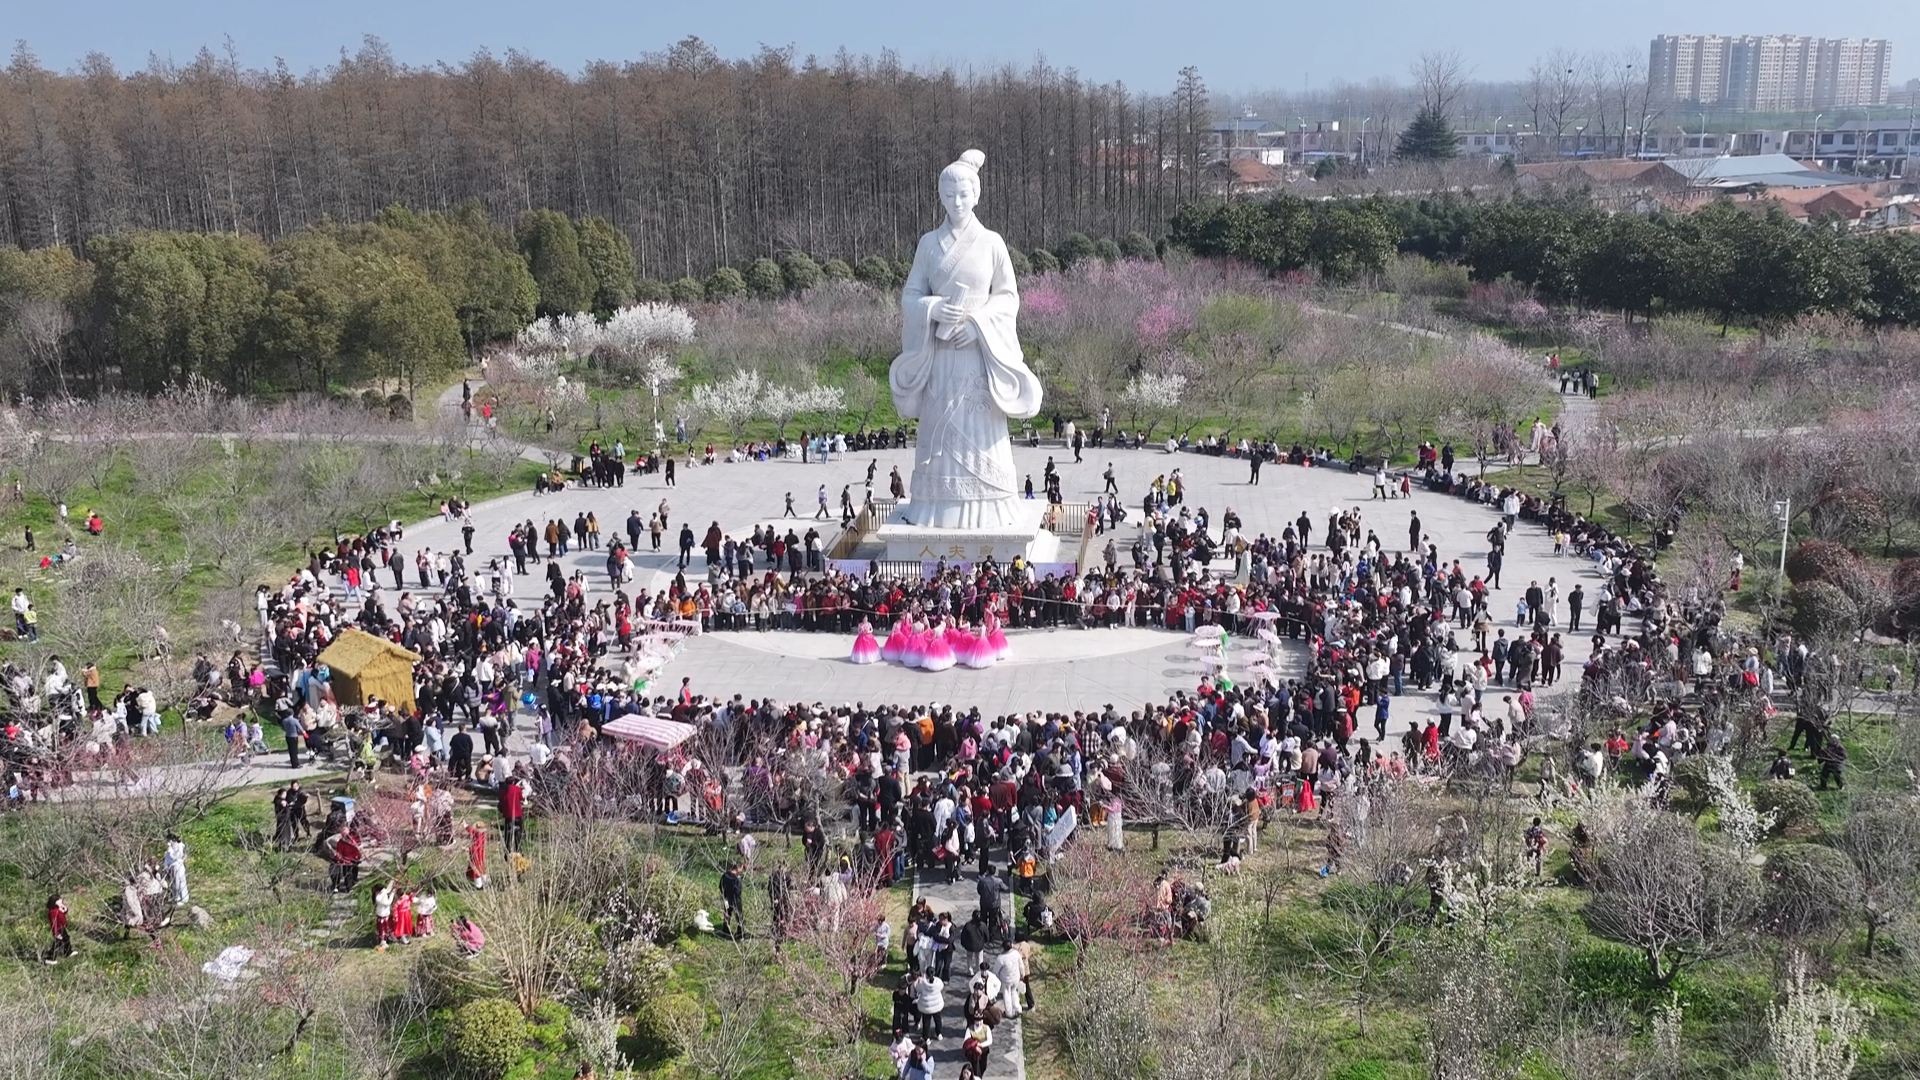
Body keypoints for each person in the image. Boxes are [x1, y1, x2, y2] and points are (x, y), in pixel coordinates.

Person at [45, 894, 73, 964]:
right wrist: (56, 933)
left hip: (62, 927)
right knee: (57, 943)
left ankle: (68, 952)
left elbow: (63, 914)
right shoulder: (53, 912)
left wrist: (65, 909)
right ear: (54, 902)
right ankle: (50, 958)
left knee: (66, 938)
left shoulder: (58, 908)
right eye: (58, 900)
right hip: (58, 929)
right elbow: (53, 923)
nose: (60, 901)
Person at [720, 862, 745, 938]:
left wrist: (724, 894)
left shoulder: (724, 876)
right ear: (738, 868)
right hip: (736, 901)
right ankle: (740, 934)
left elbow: (720, 886)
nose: (741, 870)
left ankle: (725, 932)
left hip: (726, 900)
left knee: (727, 915)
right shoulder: (737, 879)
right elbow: (738, 891)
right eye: (741, 868)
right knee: (739, 917)